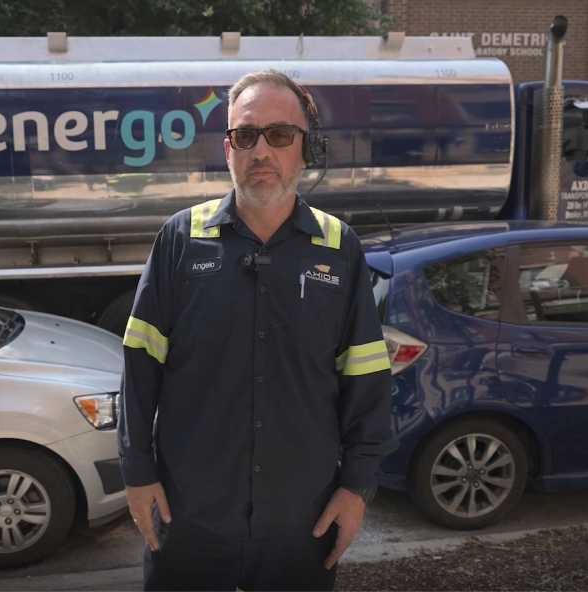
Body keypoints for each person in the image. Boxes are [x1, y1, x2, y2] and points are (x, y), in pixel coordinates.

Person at [117, 69, 397, 591]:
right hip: (189, 521)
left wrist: (356, 487)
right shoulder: (180, 240)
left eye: (280, 135)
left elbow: (366, 377)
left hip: (302, 524)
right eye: (245, 135)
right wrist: (137, 472)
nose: (260, 150)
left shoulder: (340, 250)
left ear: (305, 147)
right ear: (228, 149)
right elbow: (139, 364)